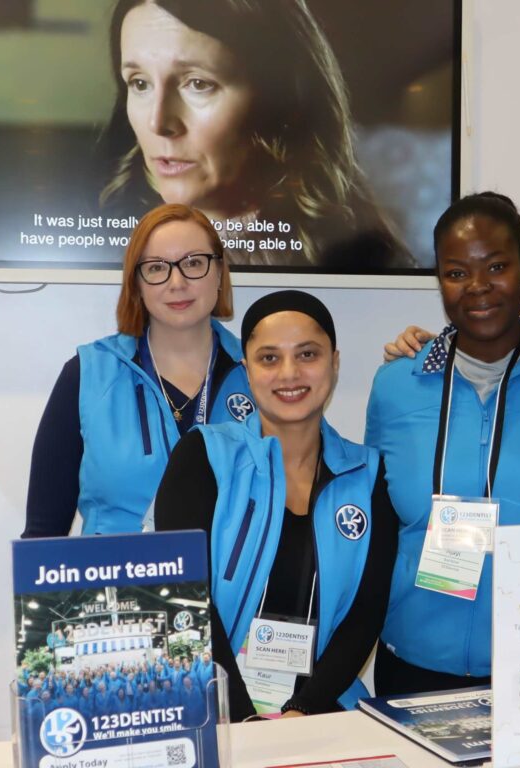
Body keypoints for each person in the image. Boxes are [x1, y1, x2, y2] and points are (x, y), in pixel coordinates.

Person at [365, 192, 520, 695]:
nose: (477, 287)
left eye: (496, 265)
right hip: (414, 665)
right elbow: (379, 517)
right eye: (456, 273)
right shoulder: (396, 385)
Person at [155, 290, 396, 719]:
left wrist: (302, 711)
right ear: (247, 372)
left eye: (307, 354)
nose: (290, 373)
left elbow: (366, 613)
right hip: (215, 708)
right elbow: (185, 602)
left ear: (334, 363)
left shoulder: (366, 473)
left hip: (322, 707)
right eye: (269, 358)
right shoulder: (203, 457)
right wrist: (247, 719)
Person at [100, 0, 412, 270]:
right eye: (139, 83)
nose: (157, 122)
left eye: (198, 83)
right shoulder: (108, 249)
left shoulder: (359, 259)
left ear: (285, 101)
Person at [22, 203, 254, 537]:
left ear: (219, 272)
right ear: (137, 282)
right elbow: (43, 534)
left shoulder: (258, 373)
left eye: (193, 263)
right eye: (157, 268)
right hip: (116, 584)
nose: (177, 282)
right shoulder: (88, 375)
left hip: (228, 588)